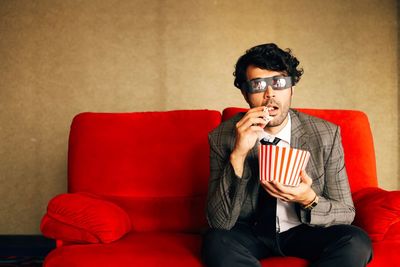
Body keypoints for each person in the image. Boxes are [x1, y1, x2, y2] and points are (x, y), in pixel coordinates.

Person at [201, 43, 372, 267]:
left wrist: (308, 199)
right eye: (258, 85)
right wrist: (239, 154)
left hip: (304, 230)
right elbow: (219, 222)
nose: (270, 94)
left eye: (279, 83)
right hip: (249, 232)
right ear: (245, 93)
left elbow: (346, 212)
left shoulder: (326, 134)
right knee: (215, 242)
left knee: (356, 240)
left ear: (292, 89)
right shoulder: (222, 137)